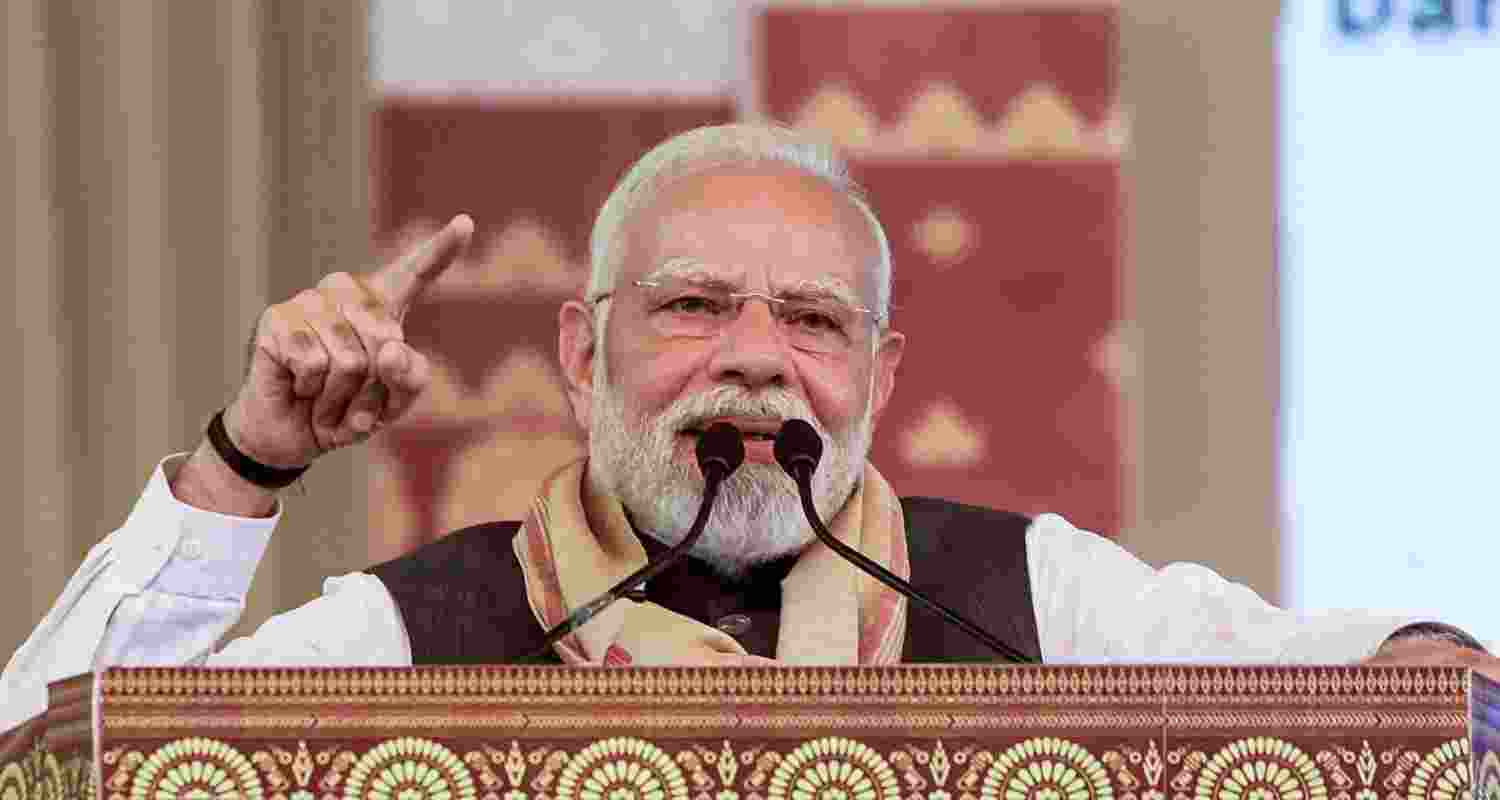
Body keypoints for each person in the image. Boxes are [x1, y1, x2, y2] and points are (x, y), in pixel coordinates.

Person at [1, 124, 1492, 731]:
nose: (759, 367)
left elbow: (1419, 689)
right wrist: (247, 460)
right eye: (696, 307)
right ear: (583, 351)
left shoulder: (1030, 595)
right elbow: (39, 757)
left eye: (815, 323)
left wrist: (1436, 675)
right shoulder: (424, 626)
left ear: (880, 376)